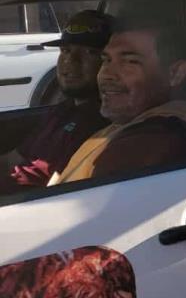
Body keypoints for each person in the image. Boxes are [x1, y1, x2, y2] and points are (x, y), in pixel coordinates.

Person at [49, 14, 186, 185]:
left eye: (130, 62)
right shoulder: (129, 125)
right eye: (107, 60)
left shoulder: (149, 143)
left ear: (175, 73)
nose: (106, 74)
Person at [0, 10, 113, 194]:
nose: (70, 61)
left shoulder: (101, 123)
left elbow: (53, 187)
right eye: (65, 50)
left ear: (109, 61)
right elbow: (15, 158)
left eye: (89, 52)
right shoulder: (63, 110)